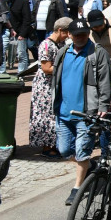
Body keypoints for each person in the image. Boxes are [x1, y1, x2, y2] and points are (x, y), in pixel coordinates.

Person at [52, 18, 111, 205]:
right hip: (63, 112)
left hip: (86, 113)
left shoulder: (97, 53)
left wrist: (103, 106)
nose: (80, 37)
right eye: (77, 34)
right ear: (69, 35)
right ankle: (89, 165)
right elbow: (56, 80)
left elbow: (104, 81)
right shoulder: (62, 53)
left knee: (82, 151)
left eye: (84, 34)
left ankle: (77, 188)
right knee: (63, 150)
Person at [30, 17, 73, 157]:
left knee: (53, 114)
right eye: (67, 33)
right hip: (45, 87)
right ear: (60, 30)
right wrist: (66, 68)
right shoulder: (46, 45)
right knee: (46, 116)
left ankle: (54, 144)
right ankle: (47, 147)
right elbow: (46, 68)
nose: (68, 36)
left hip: (53, 85)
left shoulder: (58, 45)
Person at [3, 0, 32, 75]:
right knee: (1, 52)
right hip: (5, 31)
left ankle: (21, 74)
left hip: (19, 32)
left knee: (21, 54)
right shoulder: (4, 2)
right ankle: (2, 72)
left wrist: (22, 34)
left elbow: (27, 19)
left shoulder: (22, 2)